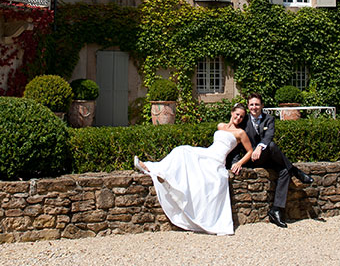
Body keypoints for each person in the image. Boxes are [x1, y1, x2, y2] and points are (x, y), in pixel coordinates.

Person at [134, 104, 254, 235]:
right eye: (237, 114)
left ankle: (159, 171)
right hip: (208, 153)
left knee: (184, 154)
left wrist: (239, 163)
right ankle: (157, 170)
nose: (239, 118)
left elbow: (250, 151)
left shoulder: (240, 133)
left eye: (242, 116)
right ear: (232, 113)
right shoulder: (220, 126)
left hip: (217, 160)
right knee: (180, 151)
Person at [226, 93, 313, 228]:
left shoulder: (269, 119)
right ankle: (294, 170)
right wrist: (235, 162)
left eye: (257, 104)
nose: (254, 107)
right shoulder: (244, 120)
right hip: (251, 160)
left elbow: (269, 135)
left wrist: (260, 147)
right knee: (272, 147)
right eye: (252, 105)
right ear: (248, 106)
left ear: (262, 106)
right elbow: (236, 142)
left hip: (265, 156)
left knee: (283, 169)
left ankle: (276, 210)